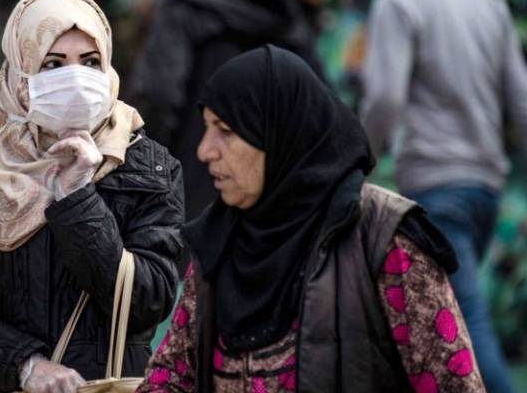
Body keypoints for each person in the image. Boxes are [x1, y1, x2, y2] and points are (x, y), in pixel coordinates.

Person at [139, 46, 485, 393]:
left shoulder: (381, 240)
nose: (205, 150)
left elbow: (455, 387)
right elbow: (170, 378)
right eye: (207, 128)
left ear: (280, 134)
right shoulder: (218, 242)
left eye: (226, 130)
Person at [0, 0, 185, 393]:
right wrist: (26, 366)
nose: (75, 80)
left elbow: (148, 304)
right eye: (53, 64)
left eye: (90, 62)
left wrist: (78, 199)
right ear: (21, 73)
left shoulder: (148, 166)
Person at [360, 0, 527, 393]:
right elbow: (521, 100)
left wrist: (358, 160)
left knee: (462, 327)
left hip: (436, 187)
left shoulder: (398, 1)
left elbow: (385, 97)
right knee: (436, 323)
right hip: (485, 188)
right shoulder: (489, 3)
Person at [131, 0, 326, 224]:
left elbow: (158, 93)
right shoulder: (283, 17)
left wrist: (150, 167)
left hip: (192, 189)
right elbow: (317, 105)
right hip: (270, 199)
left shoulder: (183, 9)